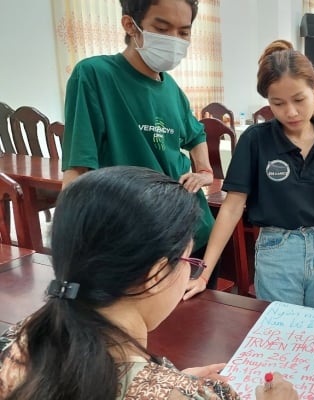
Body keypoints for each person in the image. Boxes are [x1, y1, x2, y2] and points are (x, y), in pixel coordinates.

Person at [0, 166, 298, 399]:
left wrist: (164, 379)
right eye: (189, 262)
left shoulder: (20, 338)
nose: (189, 274)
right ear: (154, 275)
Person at [183, 40, 314, 312]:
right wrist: (204, 272)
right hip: (277, 250)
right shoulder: (256, 140)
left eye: (299, 99)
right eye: (278, 103)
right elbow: (231, 208)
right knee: (280, 337)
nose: (290, 111)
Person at [60, 0, 219, 288]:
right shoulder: (95, 75)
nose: (173, 40)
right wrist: (69, 259)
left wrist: (205, 171)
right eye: (161, 28)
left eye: (183, 32)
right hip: (136, 242)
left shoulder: (172, 90)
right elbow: (77, 172)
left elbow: (196, 134)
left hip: (191, 235)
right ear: (130, 25)